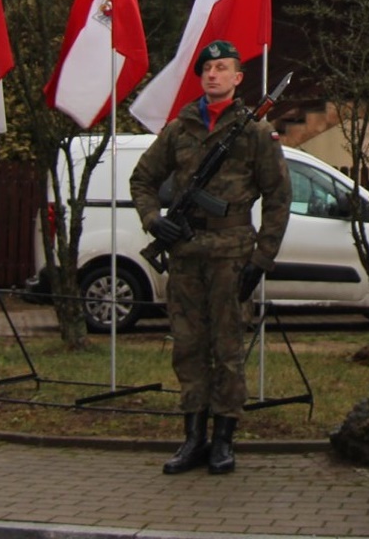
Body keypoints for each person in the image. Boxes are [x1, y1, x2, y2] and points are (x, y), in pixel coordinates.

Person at [128, 40, 290, 475]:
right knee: (188, 347)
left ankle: (223, 439)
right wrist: (152, 220)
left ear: (238, 78)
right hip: (185, 254)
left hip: (232, 255)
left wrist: (262, 259)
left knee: (228, 347)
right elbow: (142, 178)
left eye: (222, 68)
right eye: (207, 69)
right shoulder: (180, 129)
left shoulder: (255, 131)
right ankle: (192, 438)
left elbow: (278, 198)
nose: (212, 74)